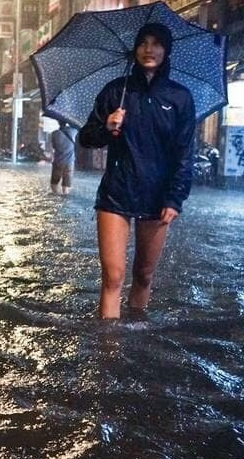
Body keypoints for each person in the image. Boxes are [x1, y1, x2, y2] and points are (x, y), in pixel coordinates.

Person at [78, 22, 195, 319]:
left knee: (143, 274)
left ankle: (138, 338)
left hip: (157, 196)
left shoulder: (179, 98)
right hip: (116, 192)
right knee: (113, 277)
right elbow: (86, 138)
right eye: (143, 42)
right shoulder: (116, 92)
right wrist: (107, 127)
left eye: (156, 43)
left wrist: (174, 198)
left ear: (166, 50)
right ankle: (109, 351)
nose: (149, 49)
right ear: (135, 48)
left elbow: (184, 152)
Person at [49, 119, 77, 194]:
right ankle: (65, 198)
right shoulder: (73, 132)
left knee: (54, 183)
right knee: (66, 185)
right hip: (69, 162)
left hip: (58, 161)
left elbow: (53, 146)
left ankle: (56, 196)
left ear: (58, 123)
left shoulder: (54, 133)